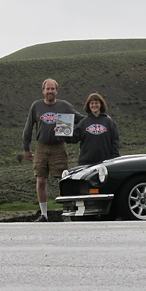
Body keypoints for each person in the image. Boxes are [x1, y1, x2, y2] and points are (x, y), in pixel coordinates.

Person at [23, 79, 83, 222]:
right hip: (41, 146)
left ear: (56, 91)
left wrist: (99, 119)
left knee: (62, 180)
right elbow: (28, 127)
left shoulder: (64, 106)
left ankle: (66, 213)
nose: (50, 91)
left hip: (59, 146)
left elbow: (81, 119)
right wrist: (26, 148)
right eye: (47, 89)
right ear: (43, 91)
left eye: (52, 89)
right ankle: (44, 214)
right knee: (41, 179)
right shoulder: (36, 106)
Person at [69, 93, 120, 165]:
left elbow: (115, 141)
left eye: (96, 103)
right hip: (86, 163)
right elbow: (74, 138)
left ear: (101, 104)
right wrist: (61, 132)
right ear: (88, 105)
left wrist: (114, 158)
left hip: (105, 163)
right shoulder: (83, 122)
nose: (94, 105)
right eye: (92, 103)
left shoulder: (109, 122)